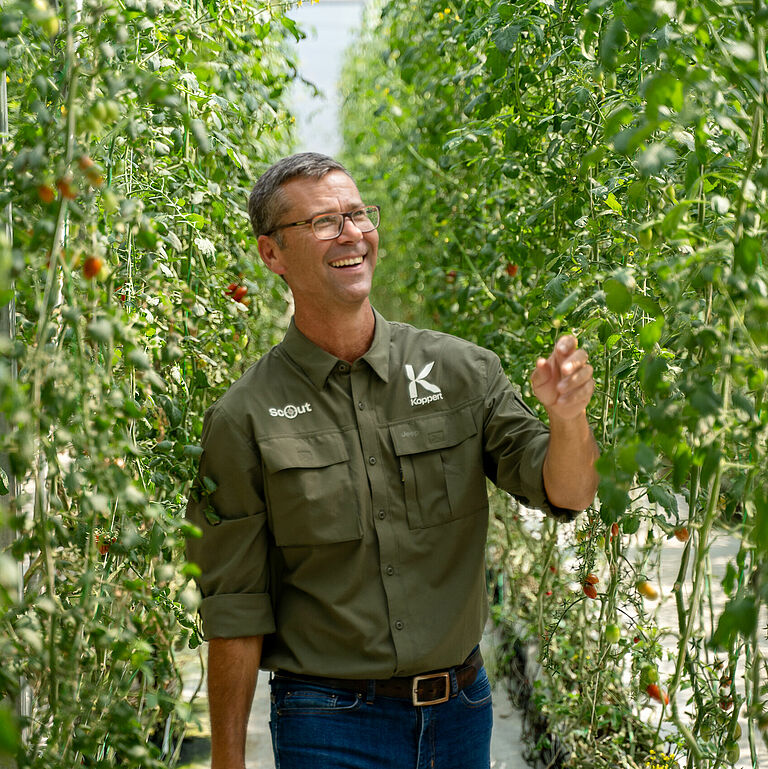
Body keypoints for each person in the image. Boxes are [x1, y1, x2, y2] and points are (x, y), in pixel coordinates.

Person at [184, 152, 599, 769]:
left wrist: (568, 419)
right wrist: (228, 760)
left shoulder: (461, 372)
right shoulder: (244, 418)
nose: (352, 234)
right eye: (324, 222)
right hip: (327, 723)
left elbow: (568, 491)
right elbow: (235, 608)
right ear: (272, 254)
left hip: (460, 712)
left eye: (358, 214)